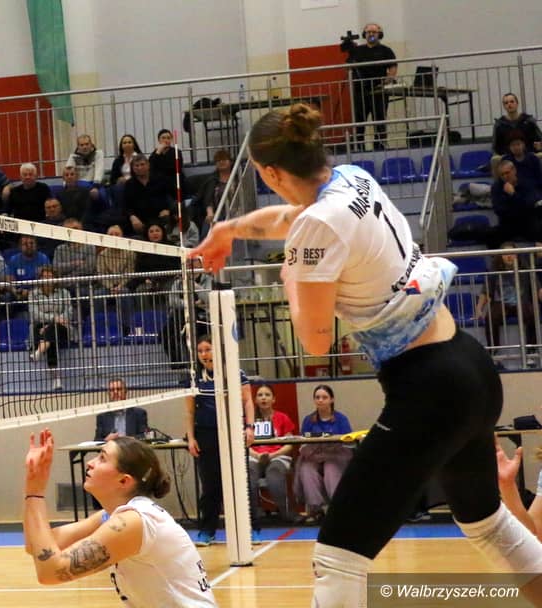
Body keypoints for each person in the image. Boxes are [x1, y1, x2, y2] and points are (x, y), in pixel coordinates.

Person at [189, 103, 542, 606]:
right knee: (488, 524)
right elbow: (292, 218)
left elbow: (315, 341)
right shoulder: (353, 179)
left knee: (338, 556)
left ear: (269, 173)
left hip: (430, 388)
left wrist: (291, 279)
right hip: (470, 366)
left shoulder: (318, 225)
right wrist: (229, 229)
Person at [22, 430, 217, 607]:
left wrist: (35, 492)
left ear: (124, 480)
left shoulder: (133, 521)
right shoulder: (111, 515)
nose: (90, 463)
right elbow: (34, 546)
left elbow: (51, 571)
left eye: (102, 458)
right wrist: (32, 484)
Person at [183, 335, 259, 546]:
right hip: (206, 434)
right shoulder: (194, 378)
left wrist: (250, 427)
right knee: (210, 485)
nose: (204, 354)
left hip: (233, 432)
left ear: (217, 351)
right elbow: (189, 412)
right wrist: (191, 438)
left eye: (208, 349)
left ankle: (251, 529)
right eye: (200, 351)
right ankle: (207, 531)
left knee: (241, 482)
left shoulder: (235, 373)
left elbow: (248, 402)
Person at [295, 385, 353, 521]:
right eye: (317, 397)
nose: (320, 400)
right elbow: (303, 443)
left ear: (332, 399)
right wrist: (313, 454)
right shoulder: (308, 420)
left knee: (330, 468)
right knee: (306, 468)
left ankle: (336, 508)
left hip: (336, 454)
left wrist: (327, 453)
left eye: (324, 397)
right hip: (314, 455)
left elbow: (348, 443)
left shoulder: (341, 419)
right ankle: (316, 509)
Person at [248, 382, 299, 524]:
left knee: (274, 473)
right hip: (254, 456)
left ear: (273, 399)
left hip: (277, 456)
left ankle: (287, 513)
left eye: (267, 395)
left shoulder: (283, 418)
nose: (263, 398)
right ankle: (252, 516)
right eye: (260, 395)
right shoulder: (249, 421)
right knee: (249, 473)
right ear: (255, 400)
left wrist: (272, 455)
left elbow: (290, 444)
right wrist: (257, 455)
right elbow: (244, 445)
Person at [341, 23, 397, 150]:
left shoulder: (386, 50)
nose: (371, 34)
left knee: (380, 121)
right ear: (364, 35)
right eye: (368, 32)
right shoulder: (357, 51)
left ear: (379, 34)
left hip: (379, 91)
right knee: (359, 122)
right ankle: (359, 148)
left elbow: (393, 68)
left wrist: (386, 81)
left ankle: (380, 146)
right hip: (360, 92)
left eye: (374, 32)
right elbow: (348, 67)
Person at [475, 243, 538, 352]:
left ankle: (531, 349)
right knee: (491, 317)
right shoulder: (494, 271)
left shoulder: (526, 270)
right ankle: (493, 350)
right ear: (501, 256)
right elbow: (486, 292)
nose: (509, 256)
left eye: (512, 253)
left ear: (517, 255)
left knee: (532, 314)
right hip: (501, 303)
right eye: (505, 254)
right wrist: (479, 308)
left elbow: (538, 289)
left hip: (521, 302)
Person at [28, 265, 72, 391]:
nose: (47, 279)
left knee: (53, 330)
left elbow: (69, 312)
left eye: (50, 276)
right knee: (51, 338)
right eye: (44, 276)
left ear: (55, 278)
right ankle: (56, 380)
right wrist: (53, 319)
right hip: (41, 326)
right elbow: (34, 314)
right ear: (40, 278)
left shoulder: (64, 293)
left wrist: (53, 323)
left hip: (62, 326)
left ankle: (38, 352)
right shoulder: (33, 294)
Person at [492, 93, 542, 160]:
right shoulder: (499, 124)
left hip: (529, 157)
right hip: (508, 159)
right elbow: (495, 147)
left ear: (517, 103)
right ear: (504, 106)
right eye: (506, 103)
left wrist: (539, 146)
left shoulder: (529, 121)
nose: (509, 104)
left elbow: (539, 139)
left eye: (512, 101)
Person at [148, 129, 187, 202]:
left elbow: (174, 168)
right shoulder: (156, 153)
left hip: (173, 181)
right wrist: (158, 152)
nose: (166, 140)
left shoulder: (176, 152)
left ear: (171, 140)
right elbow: (151, 167)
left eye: (168, 138)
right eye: (163, 138)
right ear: (159, 140)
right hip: (159, 183)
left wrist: (159, 167)